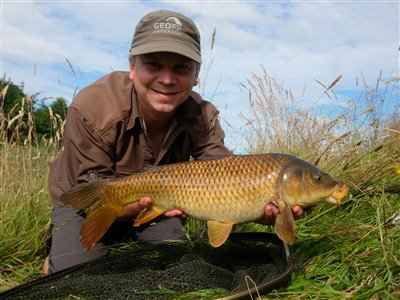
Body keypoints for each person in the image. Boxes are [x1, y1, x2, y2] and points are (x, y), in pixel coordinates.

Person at [43, 9, 307, 275]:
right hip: (85, 198)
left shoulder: (203, 116)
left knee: (174, 257)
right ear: (133, 67)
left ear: (196, 74)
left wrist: (255, 206)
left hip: (159, 203)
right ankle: (59, 248)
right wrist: (145, 203)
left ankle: (120, 237)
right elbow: (90, 200)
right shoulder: (93, 107)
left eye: (181, 68)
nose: (167, 79)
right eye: (154, 64)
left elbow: (226, 175)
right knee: (78, 273)